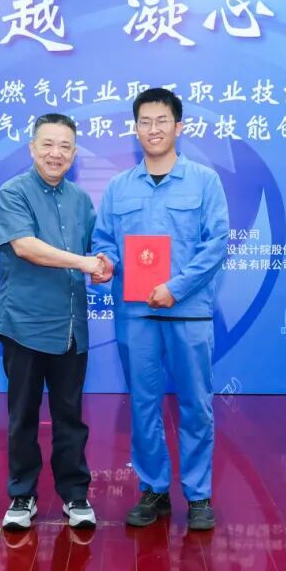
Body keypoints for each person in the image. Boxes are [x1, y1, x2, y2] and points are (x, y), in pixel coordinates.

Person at [91, 87, 229, 531]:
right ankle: (153, 489)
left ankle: (199, 495)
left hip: (188, 311)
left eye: (162, 120)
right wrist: (105, 263)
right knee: (143, 405)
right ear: (135, 129)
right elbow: (104, 241)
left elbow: (216, 244)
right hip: (136, 314)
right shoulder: (119, 187)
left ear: (178, 126)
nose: (153, 129)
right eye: (145, 122)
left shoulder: (204, 181)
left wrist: (175, 287)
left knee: (196, 405)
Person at [0, 113, 112, 532]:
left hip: (70, 328)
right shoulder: (12, 193)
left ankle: (75, 495)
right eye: (47, 144)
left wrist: (107, 262)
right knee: (22, 416)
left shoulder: (80, 199)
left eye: (64, 146)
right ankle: (22, 495)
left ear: (74, 154)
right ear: (32, 148)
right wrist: (85, 263)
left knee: (70, 416)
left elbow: (99, 246)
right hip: (24, 325)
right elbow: (26, 247)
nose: (55, 153)